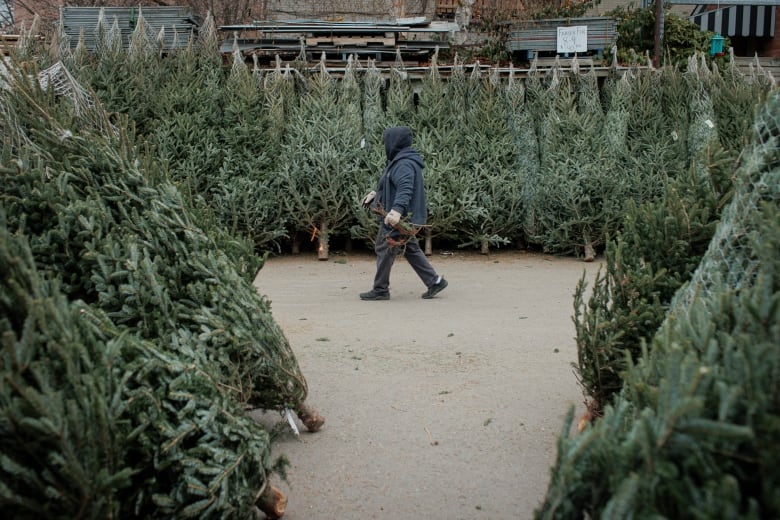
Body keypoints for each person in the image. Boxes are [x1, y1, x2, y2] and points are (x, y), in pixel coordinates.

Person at [359, 126, 448, 301]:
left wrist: (397, 211)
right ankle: (434, 281)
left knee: (384, 249)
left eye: (387, 141)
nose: (386, 145)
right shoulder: (399, 161)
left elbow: (405, 189)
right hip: (399, 217)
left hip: (398, 219)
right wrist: (376, 195)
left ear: (395, 142)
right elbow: (392, 185)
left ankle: (380, 290)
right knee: (411, 249)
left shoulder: (404, 163)